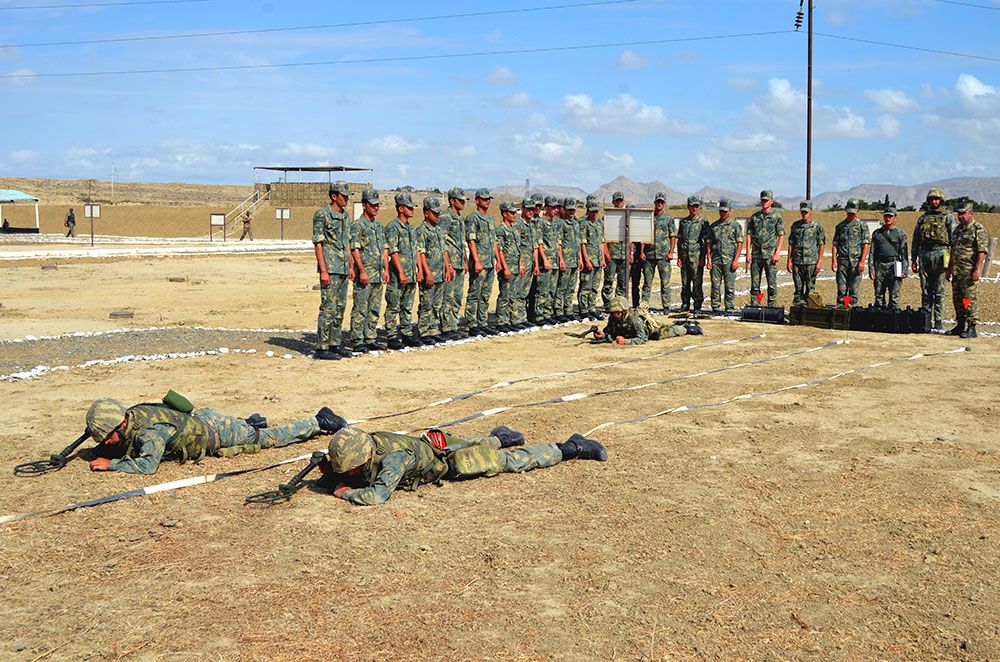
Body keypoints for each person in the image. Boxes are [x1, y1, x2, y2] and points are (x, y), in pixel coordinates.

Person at [320, 425, 607, 506]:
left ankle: (571, 447)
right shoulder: (363, 445)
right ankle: (499, 437)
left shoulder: (392, 459)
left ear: (362, 459)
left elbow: (378, 496)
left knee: (507, 462)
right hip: (435, 445)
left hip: (448, 463)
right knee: (473, 442)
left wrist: (345, 492)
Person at [84, 396, 347, 475]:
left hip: (218, 433)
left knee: (268, 439)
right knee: (251, 429)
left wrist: (112, 464)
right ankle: (251, 423)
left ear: (119, 426)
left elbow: (147, 465)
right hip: (203, 420)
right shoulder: (133, 415)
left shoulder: (149, 433)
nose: (106, 443)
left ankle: (318, 420)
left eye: (106, 438)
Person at [312, 182, 355, 360]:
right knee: (328, 308)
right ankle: (322, 347)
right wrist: (323, 270)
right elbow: (318, 244)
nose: (346, 199)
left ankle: (335, 343)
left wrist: (351, 265)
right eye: (343, 196)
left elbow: (348, 243)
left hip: (343, 268)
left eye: (347, 196)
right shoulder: (322, 215)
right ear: (334, 196)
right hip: (330, 268)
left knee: (339, 308)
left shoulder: (345, 216)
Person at [350, 189, 389, 352]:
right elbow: (355, 249)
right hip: (365, 274)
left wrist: (386, 269)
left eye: (377, 205)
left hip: (378, 274)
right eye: (372, 205)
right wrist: (361, 271)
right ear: (364, 205)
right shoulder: (358, 226)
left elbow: (385, 248)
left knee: (374, 307)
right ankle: (358, 339)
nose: (375, 208)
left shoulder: (379, 227)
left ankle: (370, 337)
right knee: (360, 307)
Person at [912, 188, 956, 331]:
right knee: (925, 290)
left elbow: (953, 239)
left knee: (939, 290)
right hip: (924, 254)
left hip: (941, 253)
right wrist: (913, 259)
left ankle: (938, 320)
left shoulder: (948, 217)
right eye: (931, 199)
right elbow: (916, 239)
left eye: (936, 199)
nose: (934, 202)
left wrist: (951, 262)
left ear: (941, 201)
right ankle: (926, 319)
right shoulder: (923, 218)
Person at [946, 202, 988, 338]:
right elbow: (953, 251)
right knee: (958, 299)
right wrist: (949, 269)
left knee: (968, 300)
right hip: (957, 272)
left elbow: (982, 251)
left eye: (963, 213)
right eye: (959, 214)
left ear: (971, 213)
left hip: (969, 272)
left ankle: (971, 327)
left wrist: (977, 270)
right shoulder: (957, 230)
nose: (960, 216)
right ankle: (960, 325)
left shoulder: (978, 229)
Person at [415, 196, 454, 343]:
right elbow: (421, 253)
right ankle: (424, 331)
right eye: (434, 213)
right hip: (429, 273)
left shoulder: (438, 230)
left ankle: (433, 329)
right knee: (427, 303)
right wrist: (427, 272)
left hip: (440, 273)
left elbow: (444, 251)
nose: (437, 216)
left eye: (438, 213)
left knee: (437, 304)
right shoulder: (422, 231)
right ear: (426, 213)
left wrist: (448, 267)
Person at [384, 192, 420, 350]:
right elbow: (393, 251)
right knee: (394, 304)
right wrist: (400, 272)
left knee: (407, 305)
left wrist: (417, 270)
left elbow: (416, 251)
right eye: (409, 207)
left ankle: (406, 332)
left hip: (411, 273)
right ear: (400, 208)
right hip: (398, 274)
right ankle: (391, 335)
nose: (412, 210)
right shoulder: (393, 227)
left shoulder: (411, 229)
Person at [465, 189, 500, 336]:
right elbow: (471, 240)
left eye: (489, 199)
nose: (487, 201)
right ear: (477, 200)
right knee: (475, 293)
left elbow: (494, 242)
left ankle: (482, 322)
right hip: (480, 262)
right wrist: (477, 260)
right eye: (484, 199)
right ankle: (472, 324)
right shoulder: (472, 218)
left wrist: (497, 259)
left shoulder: (490, 219)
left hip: (490, 262)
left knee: (486, 294)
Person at [593, 296, 690, 346]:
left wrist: (626, 341)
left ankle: (687, 328)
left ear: (624, 310)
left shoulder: (634, 319)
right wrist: (603, 335)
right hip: (631, 334)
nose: (616, 314)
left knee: (667, 331)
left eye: (619, 311)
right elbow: (610, 332)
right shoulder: (612, 318)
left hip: (651, 332)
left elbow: (643, 338)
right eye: (614, 311)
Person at [745, 190, 785, 307]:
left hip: (770, 255)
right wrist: (748, 252)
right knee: (755, 283)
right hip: (756, 255)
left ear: (771, 201)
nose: (764, 202)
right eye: (762, 200)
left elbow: (781, 235)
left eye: (766, 200)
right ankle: (755, 304)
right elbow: (749, 235)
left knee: (771, 283)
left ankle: (771, 305)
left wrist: (777, 253)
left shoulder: (776, 217)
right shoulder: (755, 217)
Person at [641, 192, 677, 312]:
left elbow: (673, 236)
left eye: (662, 202)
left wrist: (671, 252)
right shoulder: (649, 217)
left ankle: (666, 306)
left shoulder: (668, 219)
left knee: (665, 283)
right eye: (658, 202)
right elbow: (643, 235)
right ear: (654, 203)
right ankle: (644, 306)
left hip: (663, 256)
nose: (659, 204)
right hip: (649, 255)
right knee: (647, 283)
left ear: (664, 204)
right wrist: (641, 251)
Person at [440, 188, 468, 339]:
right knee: (448, 297)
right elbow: (442, 242)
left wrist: (465, 259)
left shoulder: (460, 218)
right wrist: (447, 264)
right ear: (452, 201)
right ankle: (446, 327)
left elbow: (460, 242)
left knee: (457, 296)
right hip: (450, 263)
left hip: (459, 262)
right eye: (460, 200)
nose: (463, 203)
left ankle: (454, 325)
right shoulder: (446, 217)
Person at [868, 206, 909, 309]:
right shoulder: (877, 233)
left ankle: (893, 321)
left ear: (895, 218)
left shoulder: (900, 234)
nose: (888, 219)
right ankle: (880, 321)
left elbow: (904, 254)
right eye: (886, 216)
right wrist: (871, 269)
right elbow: (872, 252)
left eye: (890, 216)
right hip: (880, 266)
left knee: (894, 296)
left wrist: (904, 270)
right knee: (879, 296)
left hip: (894, 266)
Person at [787, 200, 826, 307]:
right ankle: (798, 311)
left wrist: (819, 262)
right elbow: (791, 243)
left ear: (811, 211)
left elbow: (821, 244)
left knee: (810, 289)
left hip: (811, 262)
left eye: (806, 212)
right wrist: (789, 261)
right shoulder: (795, 226)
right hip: (797, 261)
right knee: (798, 289)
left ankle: (809, 310)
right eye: (802, 212)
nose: (804, 214)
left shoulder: (817, 226)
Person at [831, 199, 870, 307]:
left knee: (853, 290)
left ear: (858, 212)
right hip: (842, 261)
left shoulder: (862, 225)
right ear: (845, 210)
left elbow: (866, 244)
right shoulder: (840, 226)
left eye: (853, 212)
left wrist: (862, 261)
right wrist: (834, 260)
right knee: (842, 290)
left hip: (856, 262)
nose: (851, 214)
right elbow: (835, 244)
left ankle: (850, 312)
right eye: (849, 212)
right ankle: (842, 311)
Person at [707, 198, 744, 312]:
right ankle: (716, 307)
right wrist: (709, 260)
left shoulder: (735, 226)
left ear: (730, 211)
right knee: (715, 286)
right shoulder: (713, 226)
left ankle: (729, 308)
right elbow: (709, 244)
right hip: (716, 261)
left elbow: (739, 243)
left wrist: (736, 260)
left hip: (729, 261)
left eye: (725, 211)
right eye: (721, 211)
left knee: (729, 286)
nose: (723, 213)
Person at [676, 195, 710, 312]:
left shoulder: (703, 222)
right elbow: (679, 241)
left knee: (697, 282)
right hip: (685, 257)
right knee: (685, 282)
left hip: (696, 257)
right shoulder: (683, 222)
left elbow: (706, 242)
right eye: (692, 206)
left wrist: (703, 258)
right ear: (688, 207)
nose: (694, 209)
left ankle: (697, 305)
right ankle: (685, 304)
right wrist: (679, 257)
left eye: (696, 206)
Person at [578, 199, 608, 320]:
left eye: (596, 211)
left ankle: (591, 307)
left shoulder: (599, 224)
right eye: (592, 211)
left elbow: (601, 242)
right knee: (586, 285)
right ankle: (583, 309)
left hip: (598, 260)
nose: (595, 214)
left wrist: (603, 259)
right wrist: (586, 260)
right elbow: (582, 243)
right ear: (588, 211)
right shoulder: (584, 224)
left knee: (595, 286)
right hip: (589, 260)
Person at [494, 201, 521, 332]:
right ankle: (501, 321)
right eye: (511, 213)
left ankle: (512, 319)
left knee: (514, 295)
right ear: (505, 214)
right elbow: (499, 250)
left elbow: (518, 248)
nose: (514, 215)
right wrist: (505, 267)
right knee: (505, 295)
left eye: (515, 212)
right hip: (507, 266)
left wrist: (520, 263)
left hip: (515, 266)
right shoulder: (500, 230)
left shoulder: (514, 229)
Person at [536, 196, 562, 324]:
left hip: (555, 261)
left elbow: (558, 243)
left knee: (552, 290)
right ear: (546, 208)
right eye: (553, 208)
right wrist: (545, 259)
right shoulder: (541, 223)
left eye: (557, 207)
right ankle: (539, 315)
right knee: (543, 290)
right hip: (545, 262)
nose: (556, 210)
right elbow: (539, 243)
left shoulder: (556, 223)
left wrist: (561, 259)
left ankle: (548, 313)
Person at [556, 197, 582, 321]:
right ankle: (559, 311)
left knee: (571, 287)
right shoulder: (561, 224)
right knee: (562, 287)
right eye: (569, 210)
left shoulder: (576, 224)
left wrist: (580, 258)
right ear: (564, 210)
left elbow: (578, 242)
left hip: (575, 261)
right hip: (566, 260)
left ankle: (568, 310)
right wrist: (561, 259)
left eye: (573, 210)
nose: (572, 212)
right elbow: (559, 244)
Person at [601, 191, 628, 309]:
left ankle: (619, 304)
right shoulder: (607, 218)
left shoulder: (628, 217)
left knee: (622, 282)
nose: (619, 203)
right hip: (611, 255)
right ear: (613, 202)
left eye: (620, 201)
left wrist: (630, 252)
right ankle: (607, 304)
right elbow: (603, 238)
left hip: (624, 255)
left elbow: (631, 237)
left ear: (624, 202)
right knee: (609, 281)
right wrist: (606, 252)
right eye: (616, 201)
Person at [512, 198, 536, 328]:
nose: (531, 211)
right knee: (519, 292)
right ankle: (517, 318)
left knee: (525, 292)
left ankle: (522, 317)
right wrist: (520, 263)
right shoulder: (518, 225)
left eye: (533, 209)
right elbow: (517, 246)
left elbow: (534, 246)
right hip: (522, 263)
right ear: (523, 209)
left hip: (530, 263)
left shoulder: (531, 225)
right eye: (529, 209)